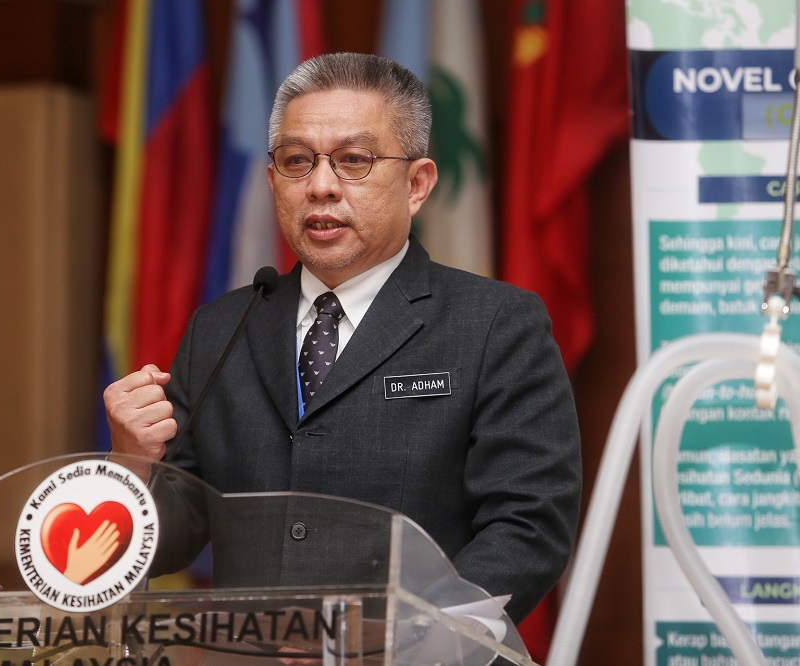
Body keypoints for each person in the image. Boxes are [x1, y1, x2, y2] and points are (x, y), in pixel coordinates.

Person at [104, 52, 581, 625]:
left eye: (354, 160)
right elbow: (172, 535)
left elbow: (528, 527)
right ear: (273, 181)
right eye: (297, 161)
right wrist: (131, 465)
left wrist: (404, 642)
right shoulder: (221, 328)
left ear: (417, 184)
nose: (321, 186)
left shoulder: (495, 323)